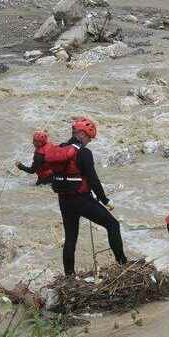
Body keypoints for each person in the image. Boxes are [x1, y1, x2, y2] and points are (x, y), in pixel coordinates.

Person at [48, 117, 128, 277]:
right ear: (82, 134)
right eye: (89, 138)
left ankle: (69, 276)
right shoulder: (84, 153)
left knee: (71, 238)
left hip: (64, 200)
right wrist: (105, 200)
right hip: (81, 199)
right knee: (113, 225)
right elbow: (93, 179)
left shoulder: (60, 148)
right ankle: (123, 264)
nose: (89, 141)